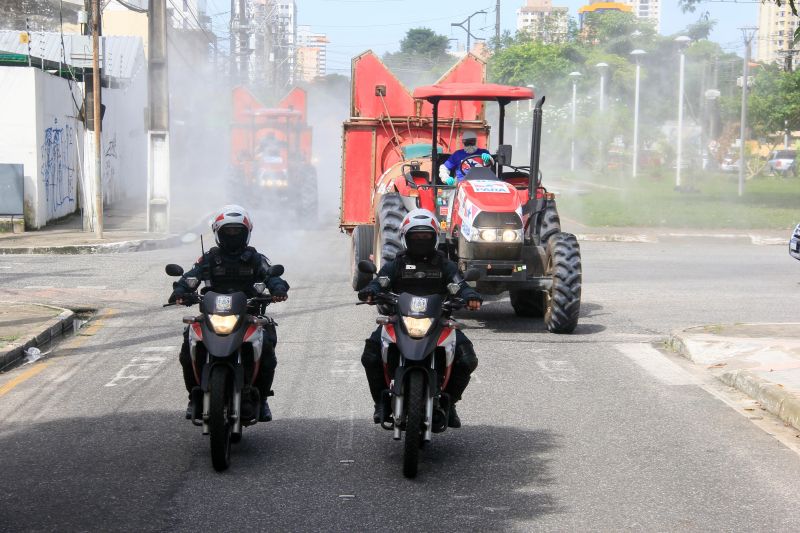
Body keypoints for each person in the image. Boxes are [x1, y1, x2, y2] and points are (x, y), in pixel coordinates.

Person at [358, 209, 482, 428]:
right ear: (406, 237)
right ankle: (380, 402)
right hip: (399, 320)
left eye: (426, 236)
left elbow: (460, 284)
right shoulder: (396, 264)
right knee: (370, 355)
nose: (421, 240)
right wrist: (371, 289)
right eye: (416, 237)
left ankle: (450, 403)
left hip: (439, 322)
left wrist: (470, 296)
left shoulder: (445, 264)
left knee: (467, 359)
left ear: (435, 237)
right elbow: (381, 280)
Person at [169, 204, 289, 422]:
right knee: (188, 347)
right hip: (211, 316)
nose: (233, 236)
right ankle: (193, 396)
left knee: (268, 346)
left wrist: (279, 289)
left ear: (247, 233)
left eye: (237, 231)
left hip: (248, 315)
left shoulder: (255, 258)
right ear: (218, 233)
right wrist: (180, 291)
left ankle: (261, 399)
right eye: (228, 232)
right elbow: (190, 277)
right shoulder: (208, 259)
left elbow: (272, 276)